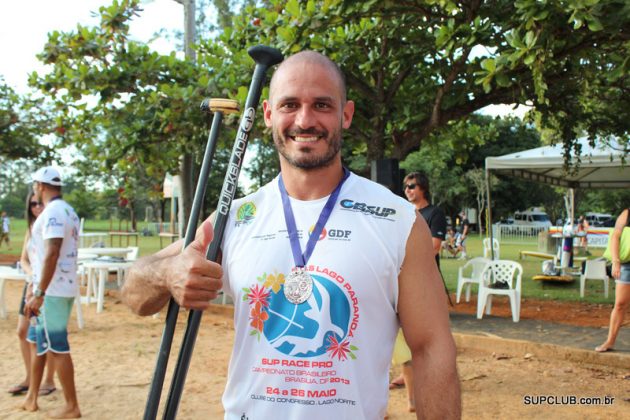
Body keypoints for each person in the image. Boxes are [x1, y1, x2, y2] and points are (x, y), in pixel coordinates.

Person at [122, 51, 460, 419]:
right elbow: (136, 294)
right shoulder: (234, 219)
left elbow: (431, 349)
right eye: (290, 104)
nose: (305, 119)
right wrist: (167, 275)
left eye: (321, 105)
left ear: (345, 115)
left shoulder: (397, 221)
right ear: (267, 114)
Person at [22, 166, 81, 418]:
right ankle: (31, 397)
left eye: (35, 185)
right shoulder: (67, 210)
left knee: (57, 347)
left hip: (52, 290)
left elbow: (52, 252)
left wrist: (39, 291)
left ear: (41, 186)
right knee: (38, 342)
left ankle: (72, 405)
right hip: (55, 288)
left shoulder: (55, 213)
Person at [390, 171, 448, 411]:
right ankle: (409, 375)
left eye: (412, 185)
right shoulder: (404, 214)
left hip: (425, 281)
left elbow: (434, 246)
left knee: (427, 334)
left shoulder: (434, 214)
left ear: (423, 188)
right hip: (401, 281)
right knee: (402, 334)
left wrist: (405, 257)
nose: (408, 190)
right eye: (405, 186)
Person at [8, 192, 57, 397]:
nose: (37, 207)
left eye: (39, 203)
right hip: (30, 286)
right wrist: (32, 276)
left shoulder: (53, 227)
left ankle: (48, 379)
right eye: (32, 204)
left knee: (50, 335)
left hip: (47, 288)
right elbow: (24, 260)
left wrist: (39, 282)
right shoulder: (31, 228)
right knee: (23, 331)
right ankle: (29, 377)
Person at [595, 208, 630, 352]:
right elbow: (615, 236)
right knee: (620, 304)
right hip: (627, 264)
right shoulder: (627, 213)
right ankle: (610, 341)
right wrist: (616, 261)